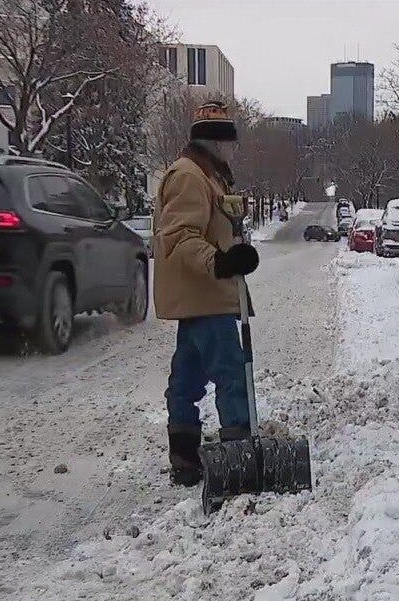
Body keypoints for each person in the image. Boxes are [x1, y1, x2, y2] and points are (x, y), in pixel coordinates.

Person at [153, 101, 260, 486]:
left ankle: (185, 458)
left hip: (201, 298)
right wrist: (220, 262)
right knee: (232, 373)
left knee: (186, 379)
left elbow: (213, 229)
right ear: (214, 143)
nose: (233, 149)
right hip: (205, 296)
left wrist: (235, 249)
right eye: (229, 143)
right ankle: (239, 458)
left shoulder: (208, 175)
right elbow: (180, 237)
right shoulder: (189, 177)